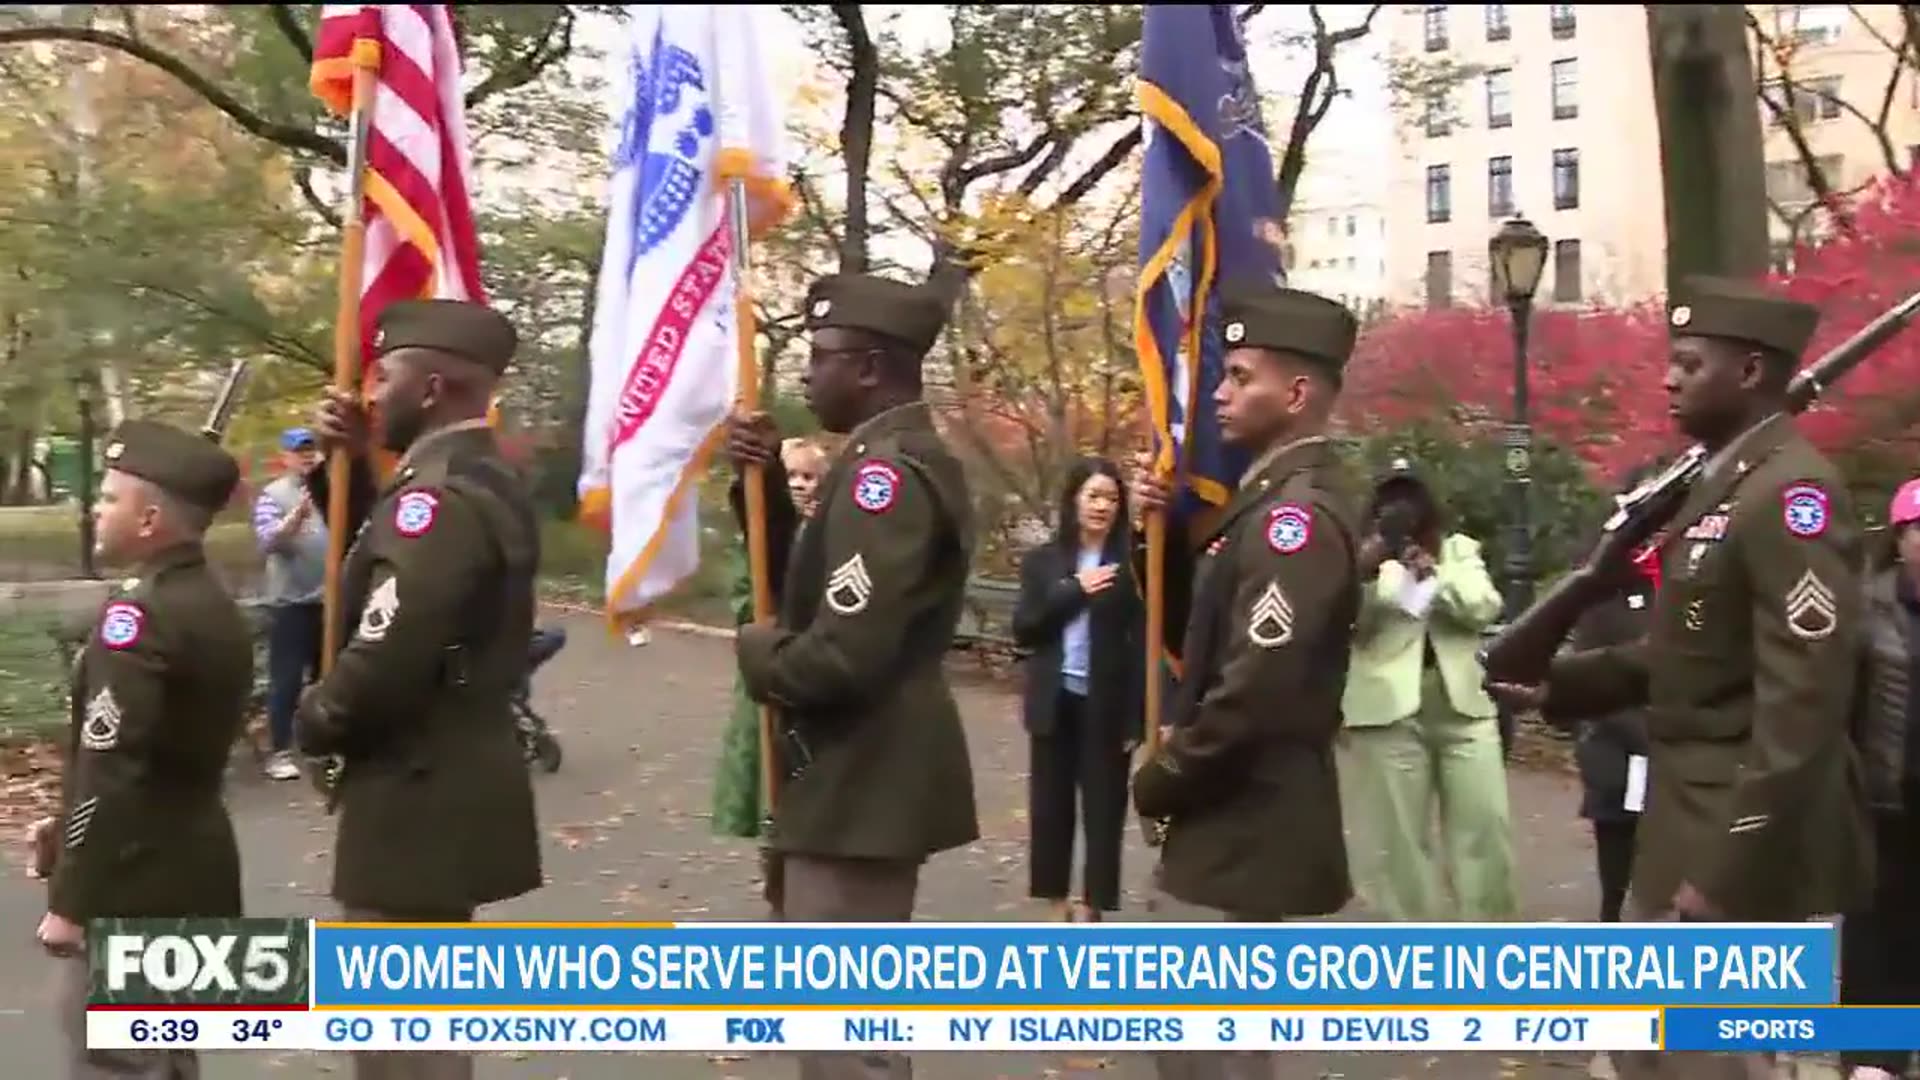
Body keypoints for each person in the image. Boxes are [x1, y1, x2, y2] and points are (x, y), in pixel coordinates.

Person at [1490, 276, 1874, 1080]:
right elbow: (1687, 658)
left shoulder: (1790, 494)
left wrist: (1730, 871)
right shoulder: (1716, 488)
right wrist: (1565, 687)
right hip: (1680, 825)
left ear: (1750, 373)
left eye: (1691, 363)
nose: (1669, 378)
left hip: (1733, 840)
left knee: (1704, 1065)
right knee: (1643, 1055)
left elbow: (1802, 702)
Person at [722, 272, 978, 1080]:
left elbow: (843, 650)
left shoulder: (886, 475)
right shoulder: (876, 461)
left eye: (820, 356)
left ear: (868, 368)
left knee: (846, 1043)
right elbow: (820, 576)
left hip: (865, 777)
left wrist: (758, 654)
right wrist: (763, 483)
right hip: (853, 776)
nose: (805, 374)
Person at [296, 298, 543, 1080]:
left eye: (384, 376)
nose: (369, 393)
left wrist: (316, 718)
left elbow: (390, 645)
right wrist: (352, 464)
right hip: (447, 774)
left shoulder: (436, 496)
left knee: (403, 1045)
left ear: (431, 388)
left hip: (416, 784)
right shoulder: (469, 478)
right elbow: (388, 558)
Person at [1129, 283, 1363, 1080]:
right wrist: (1152, 538)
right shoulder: (1266, 503)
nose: (1219, 396)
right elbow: (1207, 625)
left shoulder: (1292, 519)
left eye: (1238, 378)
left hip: (1246, 820)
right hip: (1235, 818)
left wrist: (1166, 773)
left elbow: (1257, 686)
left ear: (1296, 394)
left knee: (1210, 1058)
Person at [28, 418, 252, 1079]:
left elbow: (113, 768)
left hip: (135, 882)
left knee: (119, 1061)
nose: (95, 509)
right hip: (194, 861)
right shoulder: (208, 600)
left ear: (150, 518)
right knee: (165, 1059)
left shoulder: (143, 616)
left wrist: (72, 900)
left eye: (108, 497)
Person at [1339, 459, 1514, 922]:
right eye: (1391, 500)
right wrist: (1373, 570)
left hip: (1464, 708)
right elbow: (1347, 625)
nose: (1403, 510)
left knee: (1486, 830)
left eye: (1411, 499)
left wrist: (1433, 575)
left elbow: (1484, 606)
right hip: (1387, 711)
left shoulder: (1459, 550)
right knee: (1397, 846)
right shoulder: (1359, 559)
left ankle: (1490, 948)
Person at [1011, 456, 1143, 923]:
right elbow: (1025, 627)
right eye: (1093, 495)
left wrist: (1138, 716)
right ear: (1073, 500)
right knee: (1050, 808)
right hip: (1054, 700)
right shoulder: (1044, 561)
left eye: (1111, 497)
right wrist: (1073, 589)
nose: (1102, 505)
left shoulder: (1134, 564)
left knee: (1104, 811)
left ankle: (1092, 906)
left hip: (1106, 706)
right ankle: (1055, 903)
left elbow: (1144, 645)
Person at [712, 436, 830, 915]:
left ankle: (799, 898)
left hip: (813, 681)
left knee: (806, 802)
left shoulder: (831, 536)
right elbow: (745, 603)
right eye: (791, 477)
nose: (800, 485)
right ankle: (776, 898)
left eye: (808, 476)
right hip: (766, 683)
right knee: (770, 801)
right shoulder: (756, 539)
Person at [1840, 476, 1920, 1080]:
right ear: (1899, 539)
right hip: (1884, 798)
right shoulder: (1864, 606)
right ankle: (1873, 1058)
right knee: (1875, 932)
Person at [1559, 465, 1663, 925]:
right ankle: (1612, 916)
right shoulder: (1601, 583)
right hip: (1616, 737)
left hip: (1677, 740)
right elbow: (1590, 666)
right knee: (1617, 835)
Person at [250, 426, 328, 781]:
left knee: (330, 676)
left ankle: (325, 745)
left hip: (330, 599)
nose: (307, 456)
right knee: (286, 680)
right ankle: (278, 750)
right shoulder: (274, 495)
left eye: (311, 450)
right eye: (299, 451)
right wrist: (294, 519)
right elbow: (267, 541)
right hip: (290, 602)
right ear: (285, 457)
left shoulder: (333, 488)